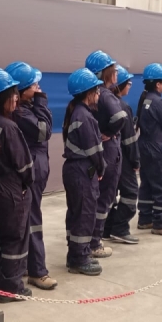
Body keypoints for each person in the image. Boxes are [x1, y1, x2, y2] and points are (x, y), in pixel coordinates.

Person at [0, 69, 34, 302]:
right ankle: (11, 288)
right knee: (14, 237)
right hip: (10, 189)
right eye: (13, 94)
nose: (17, 99)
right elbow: (24, 165)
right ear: (4, 97)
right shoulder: (9, 127)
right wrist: (26, 184)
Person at [5, 62, 57, 291]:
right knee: (32, 220)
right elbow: (44, 131)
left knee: (29, 219)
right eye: (34, 84)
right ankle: (38, 271)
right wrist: (42, 101)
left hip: (36, 170)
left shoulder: (26, 108)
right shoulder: (21, 113)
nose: (39, 87)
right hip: (31, 172)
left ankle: (26, 263)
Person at [62, 69, 105, 276]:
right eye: (96, 90)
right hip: (81, 170)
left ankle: (75, 254)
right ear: (88, 92)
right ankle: (80, 257)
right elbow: (94, 149)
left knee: (77, 212)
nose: (99, 93)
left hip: (75, 170)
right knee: (84, 213)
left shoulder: (77, 112)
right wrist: (101, 167)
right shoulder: (84, 116)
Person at [85, 50, 128, 258]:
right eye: (114, 69)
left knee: (97, 196)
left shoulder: (91, 93)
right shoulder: (106, 94)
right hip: (108, 150)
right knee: (105, 196)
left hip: (99, 150)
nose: (117, 72)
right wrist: (109, 133)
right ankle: (95, 242)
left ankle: (90, 239)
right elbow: (120, 117)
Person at [136, 63, 162, 237]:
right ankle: (161, 223)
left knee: (146, 184)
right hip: (157, 148)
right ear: (157, 84)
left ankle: (145, 218)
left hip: (145, 148)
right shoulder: (158, 102)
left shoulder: (145, 99)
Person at [103, 65, 140, 244]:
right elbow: (129, 139)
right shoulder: (122, 107)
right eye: (129, 83)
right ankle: (120, 228)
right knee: (130, 193)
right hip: (122, 158)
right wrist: (135, 161)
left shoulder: (104, 102)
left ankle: (107, 227)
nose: (130, 87)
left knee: (109, 194)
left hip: (110, 156)